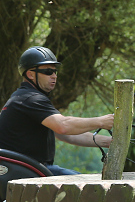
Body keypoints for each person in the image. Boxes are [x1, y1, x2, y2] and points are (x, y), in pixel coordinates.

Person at [0, 46, 114, 175]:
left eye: (55, 71)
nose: (54, 76)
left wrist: (109, 142)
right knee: (89, 188)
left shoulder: (24, 97)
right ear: (30, 74)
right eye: (48, 72)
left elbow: (66, 134)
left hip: (26, 169)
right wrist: (101, 121)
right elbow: (63, 126)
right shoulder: (30, 98)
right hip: (24, 171)